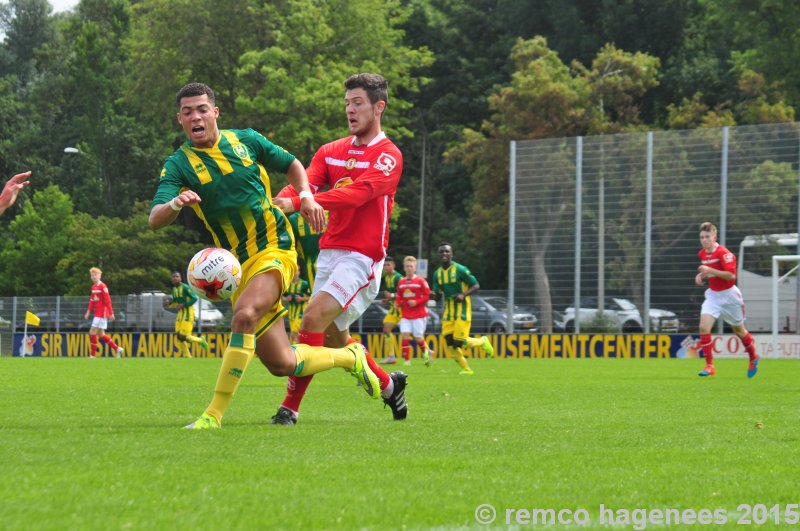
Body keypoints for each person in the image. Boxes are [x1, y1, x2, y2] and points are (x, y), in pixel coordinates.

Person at [149, 82, 380, 430]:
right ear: (179, 119)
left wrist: (304, 195)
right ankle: (350, 357)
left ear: (215, 112)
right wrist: (174, 204)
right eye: (187, 112)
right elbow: (155, 219)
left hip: (276, 248)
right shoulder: (179, 165)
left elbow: (292, 164)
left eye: (201, 109)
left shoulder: (246, 140)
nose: (195, 116)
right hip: (238, 268)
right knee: (283, 363)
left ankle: (212, 415)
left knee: (244, 316)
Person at [270, 72, 408, 425]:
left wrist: (305, 203)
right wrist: (273, 204)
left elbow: (358, 194)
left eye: (358, 102)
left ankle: (289, 409)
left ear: (379, 107)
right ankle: (390, 386)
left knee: (312, 318)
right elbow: (302, 189)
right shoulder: (330, 150)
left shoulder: (389, 156)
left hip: (363, 258)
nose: (350, 109)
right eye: (347, 103)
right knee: (333, 340)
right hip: (330, 254)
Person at [694, 222, 759, 378]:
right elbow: (709, 273)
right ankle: (710, 366)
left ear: (714, 237)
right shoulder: (702, 254)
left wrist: (709, 270)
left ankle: (753, 357)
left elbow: (731, 276)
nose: (704, 240)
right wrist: (701, 275)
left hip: (730, 296)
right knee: (704, 327)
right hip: (713, 296)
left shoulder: (724, 253)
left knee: (739, 331)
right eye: (702, 237)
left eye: (707, 236)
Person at [430, 242, 493, 375]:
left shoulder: (460, 269)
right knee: (449, 343)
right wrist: (433, 295)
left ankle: (482, 341)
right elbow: (438, 294)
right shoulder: (437, 274)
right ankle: (466, 369)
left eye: (447, 251)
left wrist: (463, 294)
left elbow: (476, 285)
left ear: (451, 254)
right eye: (441, 252)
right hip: (448, 312)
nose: (444, 254)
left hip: (462, 311)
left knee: (459, 342)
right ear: (438, 255)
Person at [395, 256, 433, 366]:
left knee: (418, 338)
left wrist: (416, 302)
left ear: (415, 268)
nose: (409, 268)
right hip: (406, 314)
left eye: (411, 266)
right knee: (405, 335)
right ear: (404, 268)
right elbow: (399, 295)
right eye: (407, 266)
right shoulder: (401, 282)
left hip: (419, 315)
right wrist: (397, 304)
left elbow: (427, 295)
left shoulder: (421, 281)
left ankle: (427, 352)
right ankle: (407, 360)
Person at [164, 271, 209, 357]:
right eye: (173, 277)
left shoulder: (185, 287)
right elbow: (175, 302)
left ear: (180, 278)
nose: (175, 278)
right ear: (171, 280)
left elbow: (194, 298)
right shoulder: (174, 290)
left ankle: (201, 340)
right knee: (179, 337)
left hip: (188, 314)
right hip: (180, 316)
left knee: (185, 336)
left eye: (177, 276)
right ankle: (188, 357)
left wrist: (184, 305)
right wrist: (169, 303)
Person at [84, 267, 124, 359]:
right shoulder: (93, 287)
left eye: (95, 275)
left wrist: (111, 312)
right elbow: (92, 300)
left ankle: (92, 355)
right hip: (97, 313)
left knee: (92, 332)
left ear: (99, 276)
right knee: (101, 334)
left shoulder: (103, 286)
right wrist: (88, 312)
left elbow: (108, 300)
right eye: (92, 275)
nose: (93, 277)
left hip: (102, 313)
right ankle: (117, 348)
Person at [379, 256, 403, 364]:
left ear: (393, 266)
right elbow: (393, 296)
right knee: (386, 328)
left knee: (413, 334)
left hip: (403, 308)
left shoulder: (398, 277)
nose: (386, 267)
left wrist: (392, 295)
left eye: (388, 264)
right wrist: (387, 300)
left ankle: (427, 351)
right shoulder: (387, 278)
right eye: (384, 265)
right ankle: (391, 356)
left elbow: (405, 293)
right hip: (394, 307)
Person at [282, 269, 311, 344]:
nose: (295, 273)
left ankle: (295, 350)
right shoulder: (288, 284)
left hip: (301, 312)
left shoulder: (304, 284)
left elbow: (311, 296)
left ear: (299, 272)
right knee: (294, 334)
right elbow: (282, 296)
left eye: (297, 271)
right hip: (291, 313)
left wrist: (302, 299)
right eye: (293, 271)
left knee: (294, 333)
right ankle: (297, 349)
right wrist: (286, 298)